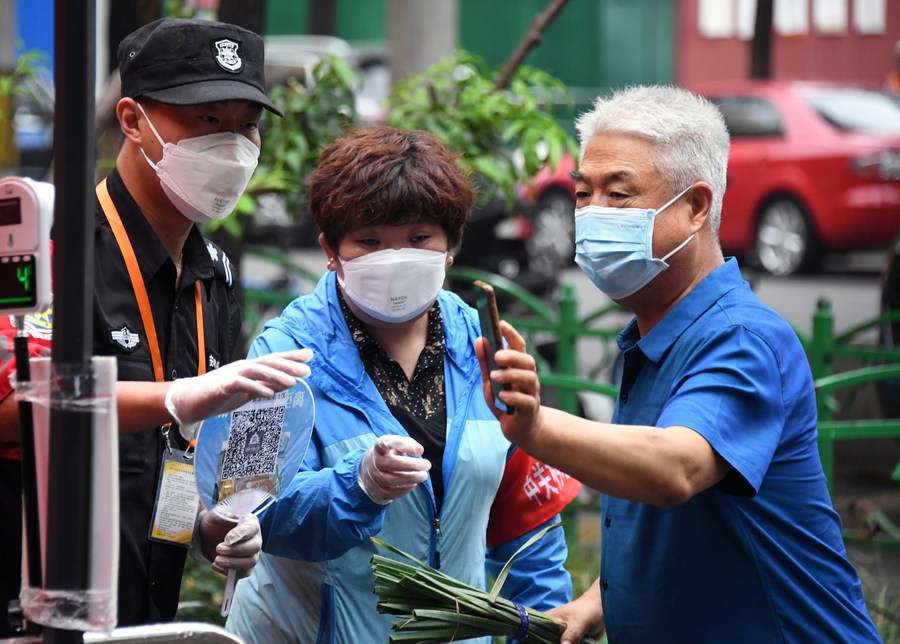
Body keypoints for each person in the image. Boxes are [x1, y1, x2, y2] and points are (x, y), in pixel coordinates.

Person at [476, 85, 881, 643]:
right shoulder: (655, 334)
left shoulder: (742, 339)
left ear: (695, 207)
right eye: (583, 193)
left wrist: (537, 427)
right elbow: (671, 516)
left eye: (619, 195)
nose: (593, 215)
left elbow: (675, 468)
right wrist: (600, 600)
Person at [0, 17, 314, 633]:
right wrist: (174, 397)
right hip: (30, 613)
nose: (231, 145)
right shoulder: (55, 244)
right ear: (132, 120)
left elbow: (183, 460)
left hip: (146, 618)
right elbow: (12, 397)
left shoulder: (214, 275)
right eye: (205, 119)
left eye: (245, 124)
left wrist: (215, 524)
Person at [225, 125, 580, 643]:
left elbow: (525, 524)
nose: (393, 259)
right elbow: (251, 507)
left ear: (449, 245)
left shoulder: (485, 344)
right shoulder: (280, 351)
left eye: (418, 239)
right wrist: (358, 484)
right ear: (331, 248)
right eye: (369, 241)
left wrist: (547, 625)